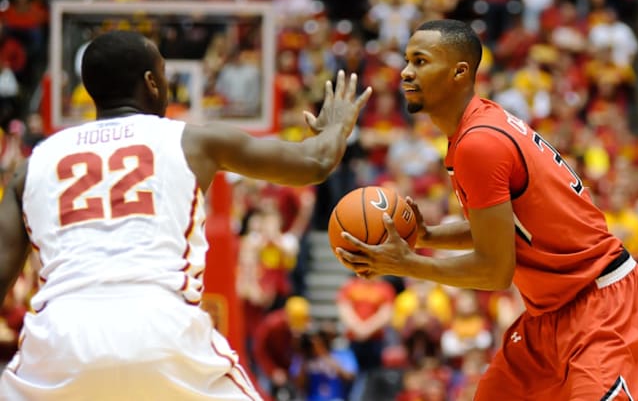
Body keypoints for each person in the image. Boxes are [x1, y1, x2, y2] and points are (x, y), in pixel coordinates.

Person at [0, 30, 371, 400]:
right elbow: (315, 162)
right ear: (150, 82)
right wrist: (336, 125)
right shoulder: (191, 141)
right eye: (163, 72)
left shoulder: (31, 166)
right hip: (160, 327)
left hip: (59, 337)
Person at [335, 19, 638, 400]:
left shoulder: (480, 144)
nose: (405, 71)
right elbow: (505, 229)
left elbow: (495, 269)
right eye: (406, 60)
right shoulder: (474, 131)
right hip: (548, 315)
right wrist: (427, 236)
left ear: (459, 72)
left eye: (420, 61)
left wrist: (405, 264)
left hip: (599, 304)